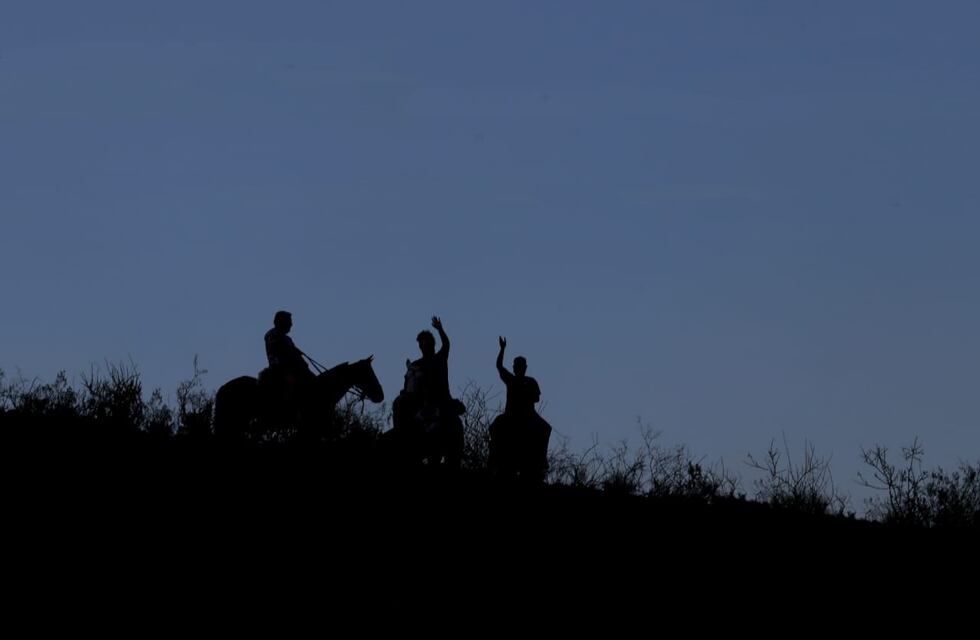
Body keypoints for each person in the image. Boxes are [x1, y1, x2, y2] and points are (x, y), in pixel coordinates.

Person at [490, 336, 551, 481]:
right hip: (511, 414)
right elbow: (499, 366)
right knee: (494, 427)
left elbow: (536, 398)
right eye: (516, 365)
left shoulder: (531, 381)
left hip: (529, 415)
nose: (518, 368)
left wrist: (526, 395)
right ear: (514, 367)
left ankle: (541, 458)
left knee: (546, 428)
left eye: (521, 365)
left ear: (525, 367)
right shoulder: (510, 379)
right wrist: (502, 349)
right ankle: (495, 455)